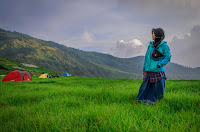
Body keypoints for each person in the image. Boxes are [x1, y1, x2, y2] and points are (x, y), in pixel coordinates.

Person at [137, 28, 171, 104]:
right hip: (148, 71)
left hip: (158, 71)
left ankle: (157, 102)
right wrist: (144, 69)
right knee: (144, 88)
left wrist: (159, 64)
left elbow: (168, 57)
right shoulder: (151, 45)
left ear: (158, 35)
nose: (152, 35)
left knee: (158, 89)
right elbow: (147, 58)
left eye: (153, 33)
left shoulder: (164, 46)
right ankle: (142, 101)